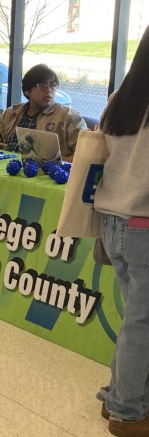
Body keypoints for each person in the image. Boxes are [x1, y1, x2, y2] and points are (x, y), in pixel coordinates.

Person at [94, 24, 149, 437]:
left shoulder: (120, 100)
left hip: (112, 222)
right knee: (141, 323)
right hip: (144, 225)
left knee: (136, 317)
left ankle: (117, 396)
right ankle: (128, 413)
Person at [0, 64, 86, 161]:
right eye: (42, 85)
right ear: (27, 91)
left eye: (53, 85)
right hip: (5, 167)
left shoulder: (68, 117)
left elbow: (85, 154)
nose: (49, 90)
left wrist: (55, 163)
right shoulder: (11, 113)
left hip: (47, 173)